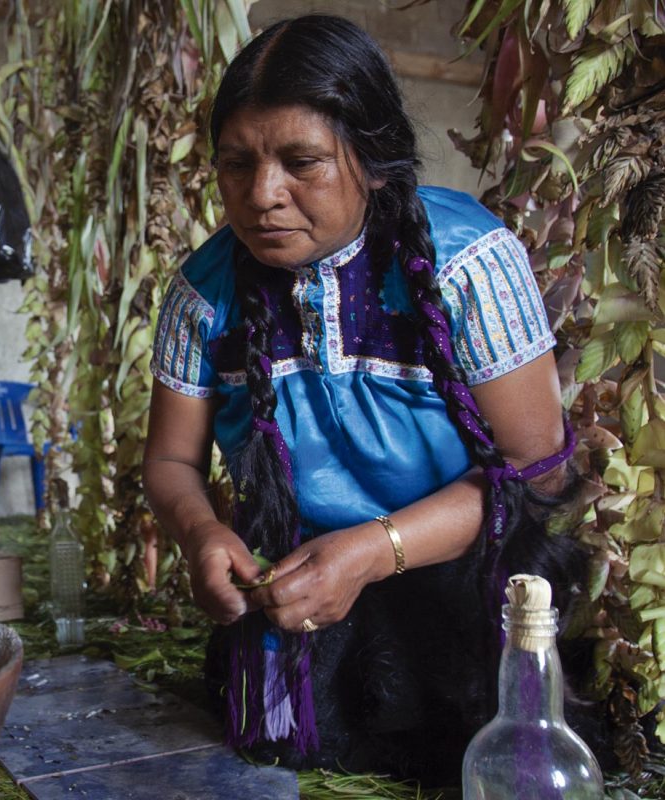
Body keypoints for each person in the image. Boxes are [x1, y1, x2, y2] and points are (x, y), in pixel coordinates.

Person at [144, 15, 604, 783]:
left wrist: (374, 549)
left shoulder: (469, 264)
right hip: (297, 587)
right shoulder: (202, 293)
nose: (263, 196)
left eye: (303, 162)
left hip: (466, 581)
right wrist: (199, 533)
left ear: (375, 160)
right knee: (295, 741)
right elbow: (169, 458)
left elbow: (538, 472)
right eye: (236, 164)